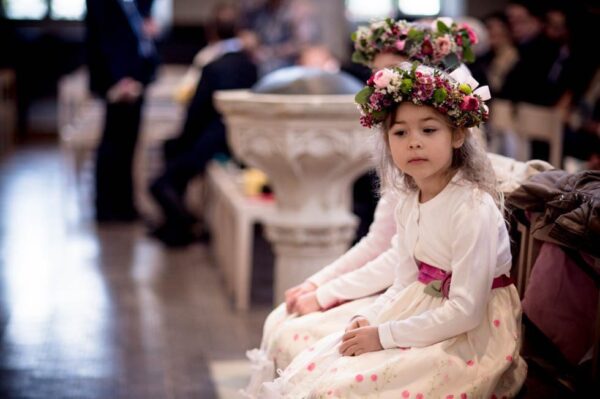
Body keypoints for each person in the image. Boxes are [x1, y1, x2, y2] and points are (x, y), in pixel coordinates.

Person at [258, 61, 526, 398]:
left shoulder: (471, 207)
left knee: (339, 388)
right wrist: (369, 317)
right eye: (400, 133)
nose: (414, 142)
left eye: (429, 130)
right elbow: (404, 281)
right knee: (321, 365)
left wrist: (384, 335)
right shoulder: (409, 199)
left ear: (458, 134)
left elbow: (467, 311)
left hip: (472, 336)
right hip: (423, 311)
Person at [148, 7, 258, 247]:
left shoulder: (212, 65)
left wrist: (185, 137)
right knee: (173, 157)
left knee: (158, 183)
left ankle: (185, 227)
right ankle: (178, 224)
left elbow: (196, 112)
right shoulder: (250, 64)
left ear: (211, 32)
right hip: (239, 141)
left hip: (211, 142)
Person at [85, 0, 159, 222]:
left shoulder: (137, 4)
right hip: (119, 82)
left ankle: (125, 205)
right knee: (112, 146)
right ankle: (107, 207)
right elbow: (106, 39)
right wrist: (119, 79)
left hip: (136, 78)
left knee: (128, 146)